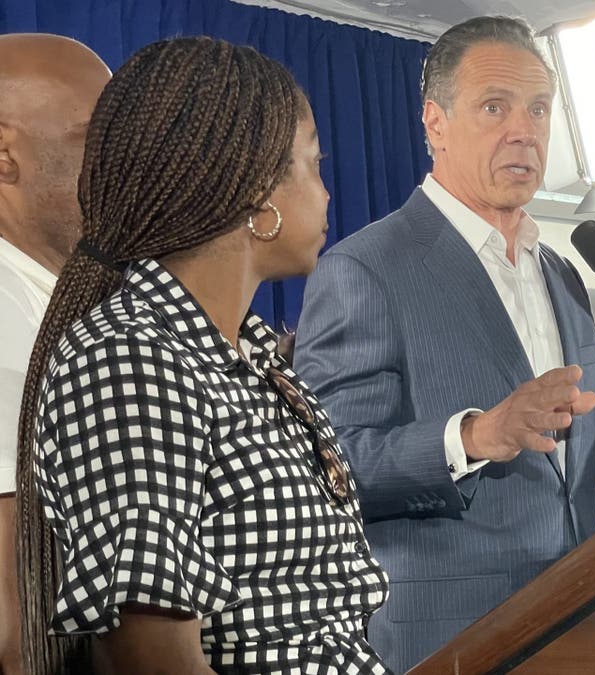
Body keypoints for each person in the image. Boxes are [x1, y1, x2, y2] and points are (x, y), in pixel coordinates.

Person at [293, 16, 595, 672]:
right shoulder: (366, 269)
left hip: (586, 617)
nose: (523, 130)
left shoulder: (560, 270)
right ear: (435, 123)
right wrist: (474, 436)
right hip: (452, 640)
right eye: (494, 107)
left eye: (538, 109)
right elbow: (334, 465)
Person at [17, 38, 388, 674]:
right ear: (257, 191)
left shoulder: (245, 358)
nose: (328, 195)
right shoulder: (127, 361)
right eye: (313, 165)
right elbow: (154, 660)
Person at [0, 33, 110, 674]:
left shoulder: (84, 298)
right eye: (92, 140)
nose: (125, 162)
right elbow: (18, 638)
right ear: (5, 156)